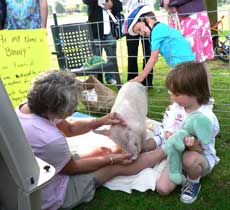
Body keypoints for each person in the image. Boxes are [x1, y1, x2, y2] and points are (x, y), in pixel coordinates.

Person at [15, 70, 165, 210]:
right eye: (72, 107)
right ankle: (166, 148)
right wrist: (110, 160)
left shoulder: (26, 107)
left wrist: (102, 121)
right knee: (118, 165)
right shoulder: (51, 139)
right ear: (54, 108)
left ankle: (155, 143)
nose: (74, 109)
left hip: (37, 169)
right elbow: (73, 169)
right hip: (48, 195)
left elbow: (70, 129)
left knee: (102, 151)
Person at [153, 61, 219, 204]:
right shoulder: (176, 108)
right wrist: (170, 135)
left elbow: (200, 149)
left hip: (199, 156)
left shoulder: (205, 117)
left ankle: (193, 181)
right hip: (177, 155)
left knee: (189, 159)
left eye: (176, 94)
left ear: (193, 92)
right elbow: (168, 131)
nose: (171, 97)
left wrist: (192, 145)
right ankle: (180, 171)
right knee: (162, 188)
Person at [126, 5, 195, 83]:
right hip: (187, 66)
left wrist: (140, 78)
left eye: (139, 29)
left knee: (177, 91)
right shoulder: (161, 28)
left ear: (146, 19)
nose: (141, 34)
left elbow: (153, 58)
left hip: (184, 68)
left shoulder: (156, 32)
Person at [83, 0, 121, 85]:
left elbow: (119, 6)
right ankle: (98, 81)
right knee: (96, 59)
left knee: (112, 58)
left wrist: (112, 4)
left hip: (110, 32)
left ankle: (110, 78)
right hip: (95, 32)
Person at [123, 0, 154, 87]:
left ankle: (147, 82)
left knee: (148, 53)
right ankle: (132, 80)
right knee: (132, 53)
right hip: (131, 18)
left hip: (148, 15)